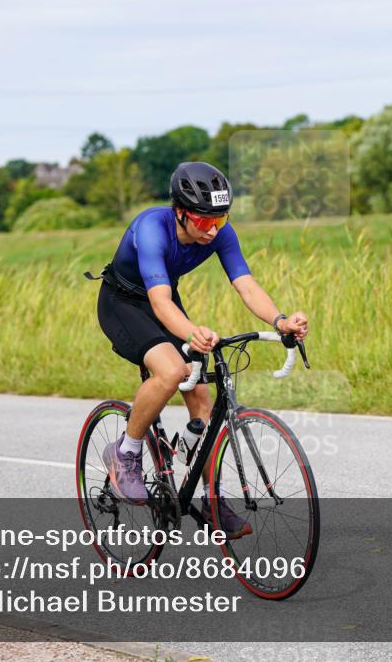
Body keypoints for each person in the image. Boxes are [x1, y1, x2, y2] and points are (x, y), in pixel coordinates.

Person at [96, 161, 308, 538]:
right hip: (124, 303)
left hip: (165, 300)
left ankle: (213, 498)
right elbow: (159, 302)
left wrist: (280, 321)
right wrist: (192, 332)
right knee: (173, 370)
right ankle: (126, 452)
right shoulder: (151, 228)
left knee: (202, 397)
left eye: (220, 220)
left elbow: (246, 285)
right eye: (203, 221)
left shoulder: (219, 232)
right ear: (180, 212)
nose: (212, 230)